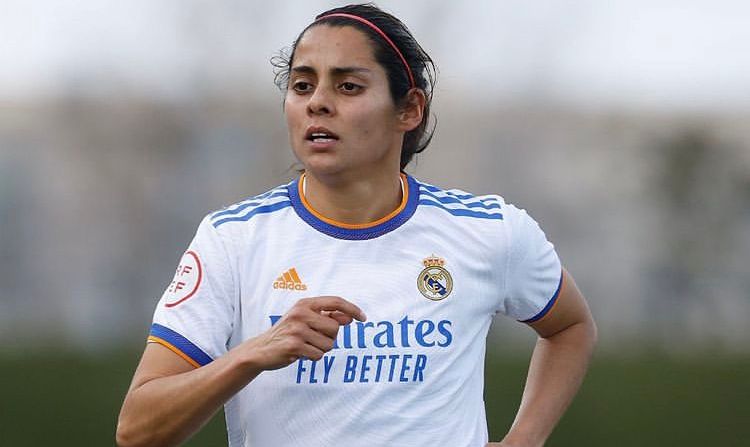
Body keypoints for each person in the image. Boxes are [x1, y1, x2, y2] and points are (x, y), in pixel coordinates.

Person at [116, 4, 597, 446]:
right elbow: (137, 429)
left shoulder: (490, 231)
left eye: (348, 86)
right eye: (302, 85)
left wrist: (524, 438)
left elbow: (571, 327)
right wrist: (253, 353)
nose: (317, 103)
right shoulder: (233, 240)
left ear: (409, 109)